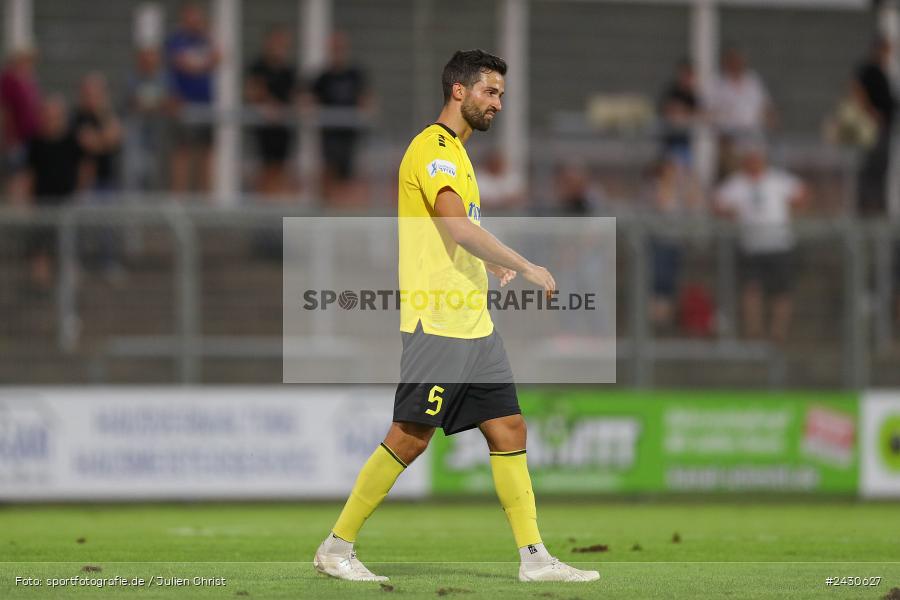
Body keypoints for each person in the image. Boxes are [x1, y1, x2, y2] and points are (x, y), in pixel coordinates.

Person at [313, 49, 599, 584]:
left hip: (475, 325)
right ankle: (336, 546)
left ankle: (534, 557)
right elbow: (456, 226)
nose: (497, 103)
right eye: (490, 92)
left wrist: (485, 266)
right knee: (409, 437)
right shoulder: (435, 149)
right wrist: (525, 264)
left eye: (501, 95)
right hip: (438, 324)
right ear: (459, 92)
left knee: (509, 428)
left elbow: (456, 236)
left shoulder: (460, 157)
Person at [715, 144, 809, 343]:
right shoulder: (736, 183)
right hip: (751, 245)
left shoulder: (778, 179)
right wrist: (731, 214)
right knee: (751, 290)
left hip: (779, 243)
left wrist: (793, 210)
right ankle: (753, 333)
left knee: (782, 291)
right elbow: (718, 204)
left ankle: (778, 333)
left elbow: (801, 194)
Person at [24, 96, 82, 289]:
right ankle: (40, 281)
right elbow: (30, 173)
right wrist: (29, 199)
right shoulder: (36, 142)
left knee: (68, 244)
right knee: (40, 245)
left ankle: (70, 281)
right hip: (43, 201)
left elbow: (83, 168)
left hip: (67, 200)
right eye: (48, 115)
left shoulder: (72, 140)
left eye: (55, 116)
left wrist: (80, 193)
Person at [165, 3, 219, 193]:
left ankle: (206, 196)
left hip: (206, 104)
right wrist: (203, 63)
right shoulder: (177, 41)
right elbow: (184, 64)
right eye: (190, 17)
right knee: (183, 151)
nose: (195, 21)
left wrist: (201, 61)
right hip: (184, 105)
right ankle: (179, 196)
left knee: (206, 151)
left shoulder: (206, 39)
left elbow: (218, 57)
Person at [646, 155, 704, 332]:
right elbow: (662, 205)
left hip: (675, 244)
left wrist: (688, 182)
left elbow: (695, 204)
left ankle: (663, 323)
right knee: (657, 283)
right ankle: (653, 322)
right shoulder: (656, 187)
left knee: (669, 285)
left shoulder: (682, 189)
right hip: (659, 243)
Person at [311, 31, 371, 203]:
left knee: (349, 178)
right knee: (329, 175)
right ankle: (328, 208)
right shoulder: (323, 77)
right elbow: (310, 100)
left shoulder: (355, 75)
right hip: (329, 137)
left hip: (349, 137)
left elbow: (366, 99)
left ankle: (344, 211)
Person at [707, 46, 775, 179]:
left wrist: (770, 121)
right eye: (733, 61)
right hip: (731, 146)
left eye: (740, 61)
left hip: (755, 144)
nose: (737, 65)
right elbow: (709, 112)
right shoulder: (718, 84)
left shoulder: (753, 81)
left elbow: (766, 106)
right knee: (735, 181)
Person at [246, 26, 298, 198]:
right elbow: (251, 91)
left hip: (283, 130)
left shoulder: (289, 71)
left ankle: (276, 211)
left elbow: (297, 95)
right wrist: (268, 103)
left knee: (281, 170)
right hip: (263, 130)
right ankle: (263, 211)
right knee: (264, 170)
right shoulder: (258, 67)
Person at [853, 36, 896, 217]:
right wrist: (870, 112)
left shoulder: (883, 71)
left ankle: (877, 203)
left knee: (882, 166)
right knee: (872, 166)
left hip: (886, 127)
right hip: (874, 127)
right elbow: (856, 89)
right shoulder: (870, 70)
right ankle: (868, 206)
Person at [124, 46, 169, 192]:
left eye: (152, 58)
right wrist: (154, 104)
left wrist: (153, 104)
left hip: (159, 137)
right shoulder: (131, 78)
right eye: (145, 58)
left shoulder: (164, 79)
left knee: (157, 175)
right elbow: (131, 103)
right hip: (136, 136)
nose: (149, 62)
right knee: (135, 172)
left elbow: (171, 102)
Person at [0, 46, 42, 203]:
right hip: (16, 138)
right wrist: (8, 137)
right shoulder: (9, 79)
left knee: (26, 174)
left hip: (30, 136)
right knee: (15, 174)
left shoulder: (29, 79)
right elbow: (6, 110)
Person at [658, 59, 699, 166]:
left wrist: (685, 112)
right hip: (672, 141)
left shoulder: (692, 95)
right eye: (684, 75)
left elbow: (697, 113)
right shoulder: (672, 91)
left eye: (689, 75)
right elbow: (668, 110)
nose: (687, 78)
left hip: (688, 141)